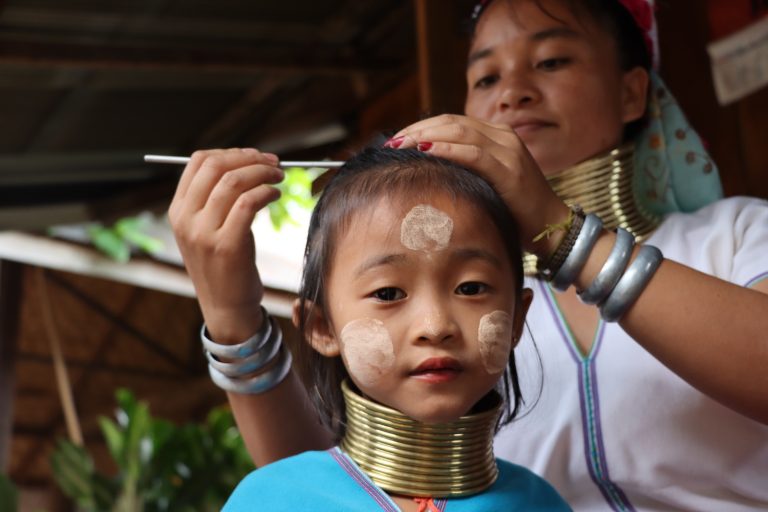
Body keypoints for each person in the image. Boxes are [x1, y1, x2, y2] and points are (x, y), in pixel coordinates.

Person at [168, 0, 768, 510]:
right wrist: (233, 321)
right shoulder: (459, 294)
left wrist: (561, 233)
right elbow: (325, 491)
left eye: (551, 60)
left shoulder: (736, 235)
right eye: (485, 78)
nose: (513, 92)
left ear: (632, 91)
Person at [217, 146, 570, 511]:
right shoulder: (268, 501)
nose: (435, 327)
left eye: (470, 288)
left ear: (516, 319)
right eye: (387, 293)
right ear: (323, 328)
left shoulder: (540, 504)